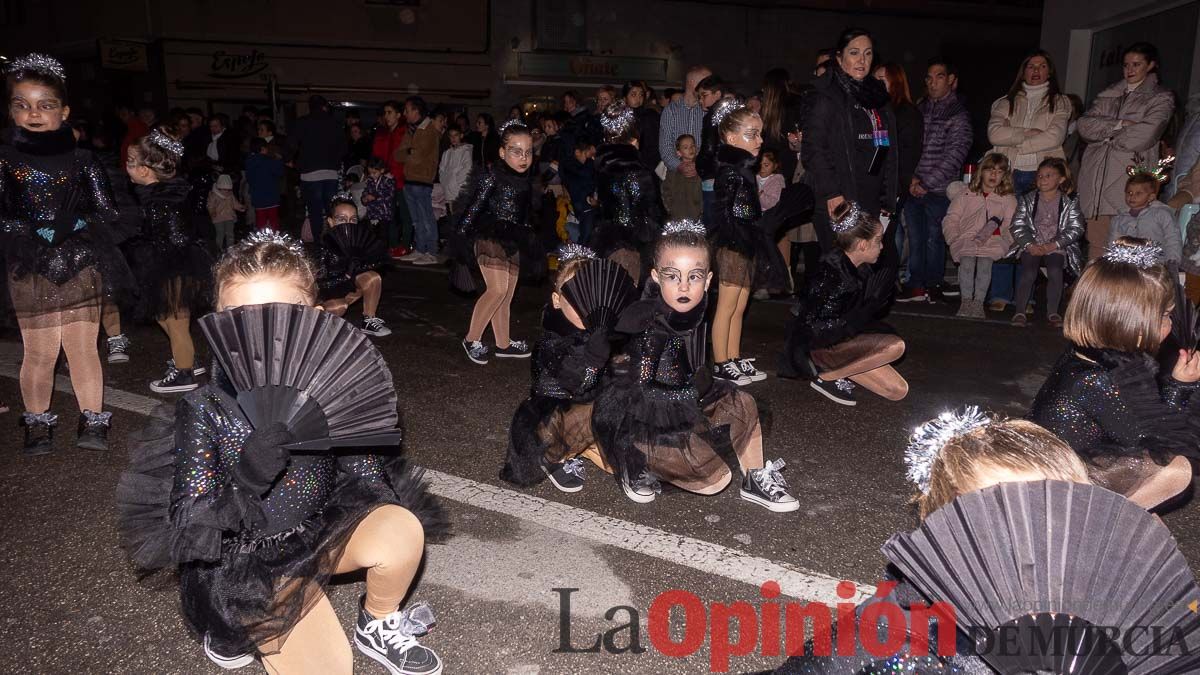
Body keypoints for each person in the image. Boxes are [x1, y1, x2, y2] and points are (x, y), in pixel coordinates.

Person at [115, 231, 447, 674]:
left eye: (278, 314)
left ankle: (378, 623)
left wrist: (379, 502)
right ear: (216, 319)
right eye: (239, 315)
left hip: (318, 528)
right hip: (249, 558)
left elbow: (360, 463)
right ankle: (234, 624)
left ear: (312, 315)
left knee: (401, 525)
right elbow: (193, 524)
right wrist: (248, 476)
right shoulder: (205, 408)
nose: (258, 330)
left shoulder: (329, 385)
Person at [772, 409, 1090, 674]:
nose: (1051, 537)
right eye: (1017, 522)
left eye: (1065, 513)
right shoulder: (913, 649)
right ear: (953, 533)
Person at [593, 221, 799, 511]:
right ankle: (635, 461)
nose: (685, 286)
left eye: (695, 276)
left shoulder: (695, 311)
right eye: (673, 276)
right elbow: (637, 394)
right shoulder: (650, 324)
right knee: (715, 481)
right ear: (655, 276)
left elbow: (692, 370)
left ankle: (755, 478)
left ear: (709, 279)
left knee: (745, 403)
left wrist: (706, 395)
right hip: (647, 418)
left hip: (686, 398)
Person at [2, 53, 131, 453]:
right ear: (11, 110)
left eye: (46, 105)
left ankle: (93, 418)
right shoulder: (5, 160)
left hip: (80, 263)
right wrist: (27, 228)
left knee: (81, 349)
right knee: (39, 351)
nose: (34, 113)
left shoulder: (83, 160)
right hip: (30, 264)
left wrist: (75, 223)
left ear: (65, 111)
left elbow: (110, 212)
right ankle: (37, 423)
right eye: (22, 105)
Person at [1029, 237, 1198, 509]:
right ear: (1132, 323)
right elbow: (1156, 439)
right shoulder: (1098, 378)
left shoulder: (1091, 354)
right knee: (1176, 470)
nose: (1170, 323)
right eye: (1164, 316)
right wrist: (1181, 387)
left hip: (1064, 461)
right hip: (1056, 486)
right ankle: (1104, 525)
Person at [500, 245, 617, 493]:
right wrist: (596, 360)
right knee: (579, 415)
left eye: (592, 298)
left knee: (620, 458)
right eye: (576, 299)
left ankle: (585, 447)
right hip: (554, 412)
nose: (585, 308)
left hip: (589, 409)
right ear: (556, 301)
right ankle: (558, 456)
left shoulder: (598, 334)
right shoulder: (552, 342)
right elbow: (576, 382)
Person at [779, 202, 907, 406]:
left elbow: (854, 313)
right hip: (817, 345)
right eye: (879, 241)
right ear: (863, 245)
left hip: (839, 339)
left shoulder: (861, 268)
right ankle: (827, 378)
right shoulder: (831, 273)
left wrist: (869, 307)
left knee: (897, 391)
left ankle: (834, 372)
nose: (882, 247)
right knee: (896, 346)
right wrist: (864, 312)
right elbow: (813, 325)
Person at [801, 28, 899, 279]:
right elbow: (814, 149)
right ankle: (823, 318)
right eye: (854, 53)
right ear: (839, 57)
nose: (862, 60)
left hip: (871, 196)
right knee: (839, 273)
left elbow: (888, 149)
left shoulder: (877, 94)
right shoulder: (825, 93)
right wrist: (832, 193)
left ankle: (857, 319)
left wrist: (889, 197)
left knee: (867, 272)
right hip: (840, 199)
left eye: (867, 54)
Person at [126, 131, 214, 395]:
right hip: (168, 262)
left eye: (130, 161)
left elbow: (176, 236)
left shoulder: (163, 200)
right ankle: (187, 359)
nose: (126, 166)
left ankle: (184, 373)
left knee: (173, 319)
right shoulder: (158, 193)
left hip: (173, 264)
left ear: (144, 170)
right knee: (167, 316)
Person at [1078, 42, 1175, 260]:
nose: (1129, 70)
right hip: (1096, 182)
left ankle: (1122, 293)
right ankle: (1093, 293)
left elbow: (1144, 135)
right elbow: (1084, 126)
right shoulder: (1109, 94)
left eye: (1136, 64)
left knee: (1128, 249)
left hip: (1129, 180)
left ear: (1151, 65)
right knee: (1096, 246)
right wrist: (1119, 124)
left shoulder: (1161, 97)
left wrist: (1104, 134)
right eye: (1126, 65)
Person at [455, 121, 538, 365]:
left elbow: (524, 215)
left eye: (528, 151)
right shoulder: (492, 177)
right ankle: (472, 338)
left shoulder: (527, 180)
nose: (523, 157)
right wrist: (460, 240)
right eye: (516, 151)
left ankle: (503, 343)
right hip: (488, 235)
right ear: (502, 152)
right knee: (498, 290)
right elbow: (472, 209)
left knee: (507, 294)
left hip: (512, 238)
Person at [900, 57, 972, 303]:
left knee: (934, 237)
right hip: (914, 185)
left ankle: (933, 284)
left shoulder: (958, 114)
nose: (932, 82)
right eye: (929, 77)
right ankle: (916, 285)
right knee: (916, 238)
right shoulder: (919, 108)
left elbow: (955, 155)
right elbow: (908, 147)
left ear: (952, 80)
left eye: (939, 76)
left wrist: (926, 182)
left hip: (938, 189)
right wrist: (911, 179)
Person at [590, 102, 663, 284]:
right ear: (634, 139)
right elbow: (648, 214)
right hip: (632, 245)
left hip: (607, 240)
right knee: (627, 298)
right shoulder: (636, 171)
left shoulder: (604, 166)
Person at [1009, 157, 1085, 327]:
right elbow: (1017, 224)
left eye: (1048, 175)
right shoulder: (1028, 199)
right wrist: (1029, 244)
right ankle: (1020, 311)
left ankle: (1052, 312)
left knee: (1055, 271)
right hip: (1032, 245)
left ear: (1061, 179)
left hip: (1056, 245)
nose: (1043, 179)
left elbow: (1076, 228)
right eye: (1040, 176)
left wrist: (1054, 245)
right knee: (1029, 272)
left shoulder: (1069, 201)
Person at [940, 152, 1017, 318]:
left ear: (1004, 176)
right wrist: (953, 238)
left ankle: (978, 303)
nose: (994, 175)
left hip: (993, 240)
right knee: (966, 263)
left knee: (984, 265)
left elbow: (1011, 224)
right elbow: (951, 218)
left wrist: (1005, 240)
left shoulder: (1007, 199)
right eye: (990, 170)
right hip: (965, 238)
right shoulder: (965, 194)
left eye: (999, 171)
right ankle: (966, 301)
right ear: (981, 171)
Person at [318, 194, 391, 337]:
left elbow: (373, 266)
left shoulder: (358, 242)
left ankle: (369, 321)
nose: (348, 223)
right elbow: (321, 287)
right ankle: (316, 325)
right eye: (342, 219)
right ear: (331, 222)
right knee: (340, 307)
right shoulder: (323, 248)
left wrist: (367, 263)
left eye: (353, 219)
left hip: (348, 290)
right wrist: (346, 274)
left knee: (372, 277)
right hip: (327, 298)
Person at [289, 95, 345, 244]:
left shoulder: (302, 122)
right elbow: (343, 147)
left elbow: (291, 145)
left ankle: (318, 243)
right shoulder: (334, 123)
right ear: (324, 107)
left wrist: (292, 161)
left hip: (309, 173)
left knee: (314, 211)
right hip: (330, 172)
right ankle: (334, 240)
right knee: (331, 209)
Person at [395, 96, 441, 265]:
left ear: (416, 111)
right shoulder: (411, 130)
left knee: (426, 218)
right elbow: (398, 155)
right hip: (409, 181)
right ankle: (421, 249)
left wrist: (409, 153)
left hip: (422, 181)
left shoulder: (429, 129)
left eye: (407, 110)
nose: (404, 114)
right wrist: (410, 152)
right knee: (416, 219)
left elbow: (418, 156)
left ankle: (432, 252)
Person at [1107, 168, 1180, 270]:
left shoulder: (1161, 214)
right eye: (1129, 192)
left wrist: (1172, 260)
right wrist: (1111, 262)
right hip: (1127, 266)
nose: (1132, 197)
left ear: (1151, 197)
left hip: (1156, 265)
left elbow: (1172, 238)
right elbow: (1113, 242)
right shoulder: (1119, 219)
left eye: (1138, 193)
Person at [658, 65, 711, 184]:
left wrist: (701, 166)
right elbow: (665, 145)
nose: (709, 87)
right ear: (692, 82)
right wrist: (679, 166)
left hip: (703, 176)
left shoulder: (708, 110)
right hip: (676, 177)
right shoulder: (671, 110)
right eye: (706, 82)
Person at [372, 100, 410, 257]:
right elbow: (378, 157)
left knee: (405, 215)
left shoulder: (404, 132)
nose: (386, 116)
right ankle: (393, 245)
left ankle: (406, 244)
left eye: (390, 112)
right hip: (387, 181)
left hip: (401, 180)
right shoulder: (384, 134)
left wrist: (395, 174)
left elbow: (404, 158)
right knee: (389, 214)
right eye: (385, 113)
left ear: (398, 115)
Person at [694, 74, 730, 224]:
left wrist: (701, 167)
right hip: (726, 174)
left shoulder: (712, 115)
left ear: (718, 94)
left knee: (712, 223)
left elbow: (709, 148)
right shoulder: (731, 112)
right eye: (699, 96)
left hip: (712, 176)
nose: (701, 100)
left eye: (704, 95)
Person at [244, 137, 284, 230]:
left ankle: (261, 241)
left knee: (260, 221)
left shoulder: (249, 162)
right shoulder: (269, 161)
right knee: (273, 220)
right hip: (271, 196)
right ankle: (274, 241)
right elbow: (279, 172)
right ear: (263, 148)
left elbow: (249, 178)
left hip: (257, 197)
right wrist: (278, 160)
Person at [661, 134, 702, 221]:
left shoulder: (700, 168)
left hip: (696, 216)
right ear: (679, 153)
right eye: (686, 147)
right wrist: (670, 208)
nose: (690, 149)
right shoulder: (673, 170)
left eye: (692, 146)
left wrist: (701, 210)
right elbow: (666, 189)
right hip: (677, 216)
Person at [623, 80, 661, 174]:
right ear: (625, 98)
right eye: (633, 94)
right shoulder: (619, 118)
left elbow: (654, 146)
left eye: (641, 95)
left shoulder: (650, 116)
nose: (638, 98)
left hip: (644, 168)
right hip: (623, 167)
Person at [438, 126, 473, 216]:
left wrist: (456, 183)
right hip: (448, 191)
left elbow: (466, 169)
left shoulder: (465, 151)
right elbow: (441, 169)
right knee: (451, 218)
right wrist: (445, 182)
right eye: (451, 136)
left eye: (456, 135)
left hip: (458, 192)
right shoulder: (447, 153)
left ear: (461, 135)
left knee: (460, 218)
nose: (453, 138)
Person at [207, 173, 245, 250]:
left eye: (228, 190)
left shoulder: (230, 195)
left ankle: (230, 248)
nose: (226, 191)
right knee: (220, 234)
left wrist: (240, 207)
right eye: (224, 189)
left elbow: (234, 203)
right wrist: (212, 211)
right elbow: (210, 205)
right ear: (219, 187)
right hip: (218, 218)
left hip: (229, 217)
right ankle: (218, 249)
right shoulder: (214, 195)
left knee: (230, 234)